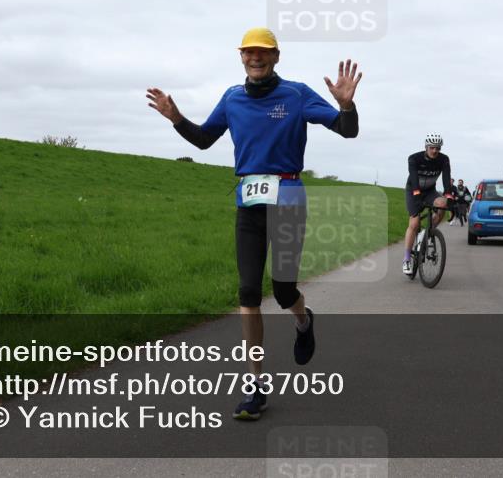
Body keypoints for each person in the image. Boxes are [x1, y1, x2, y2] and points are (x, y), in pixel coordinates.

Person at [145, 27, 361, 420]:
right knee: (247, 292)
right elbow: (205, 139)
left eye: (263, 53)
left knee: (281, 292)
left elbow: (347, 130)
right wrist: (176, 118)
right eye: (248, 53)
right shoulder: (232, 98)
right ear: (241, 57)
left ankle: (302, 319)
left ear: (276, 57)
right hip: (248, 204)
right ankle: (256, 385)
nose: (255, 58)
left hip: (289, 200)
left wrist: (347, 106)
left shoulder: (296, 94)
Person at [402, 134, 453, 275]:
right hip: (413, 190)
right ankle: (406, 259)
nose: (435, 151)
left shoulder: (444, 159)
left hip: (430, 191)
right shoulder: (414, 158)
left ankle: (427, 231)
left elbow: (446, 178)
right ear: (426, 147)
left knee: (442, 203)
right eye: (432, 148)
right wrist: (417, 194)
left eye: (437, 148)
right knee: (414, 223)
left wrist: (449, 196)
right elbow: (413, 176)